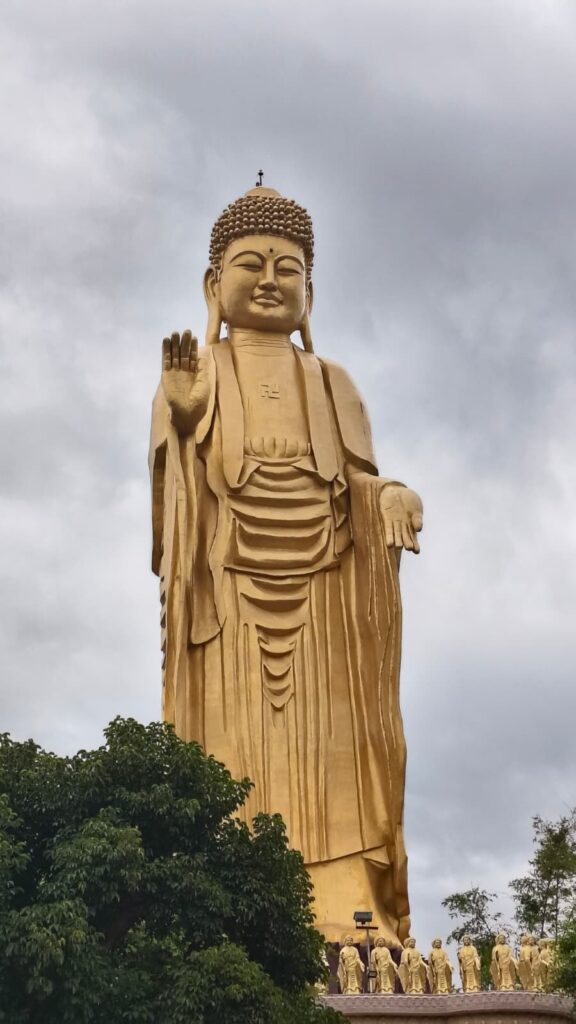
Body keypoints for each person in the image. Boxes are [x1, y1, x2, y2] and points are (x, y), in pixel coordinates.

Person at [149, 185, 423, 941]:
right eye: (250, 264)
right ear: (215, 286)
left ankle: (347, 905)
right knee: (236, 758)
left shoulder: (334, 381)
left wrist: (389, 494)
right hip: (230, 594)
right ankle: (227, 906)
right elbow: (174, 512)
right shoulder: (194, 371)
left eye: (288, 268)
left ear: (310, 290)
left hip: (328, 600)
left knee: (339, 757)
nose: (270, 279)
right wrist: (179, 418)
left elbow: (360, 482)